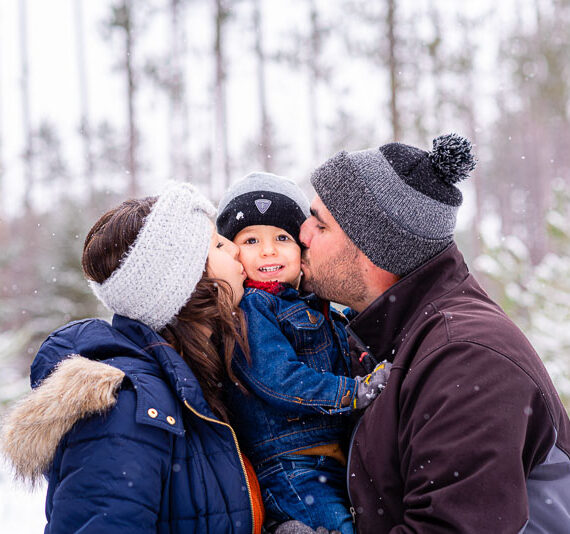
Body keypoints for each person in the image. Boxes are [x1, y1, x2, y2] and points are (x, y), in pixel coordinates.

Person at [298, 133, 570, 533]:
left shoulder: (468, 360)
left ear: (374, 252)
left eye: (320, 225)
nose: (301, 234)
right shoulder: (399, 336)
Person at [0, 181, 265, 534]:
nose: (234, 249)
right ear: (186, 281)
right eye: (217, 244)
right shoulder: (126, 410)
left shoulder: (200, 386)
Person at [216, 172, 390, 534]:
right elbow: (277, 378)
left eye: (282, 237)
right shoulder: (252, 308)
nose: (268, 251)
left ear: (301, 248)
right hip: (293, 465)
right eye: (251, 240)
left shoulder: (317, 307)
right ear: (233, 253)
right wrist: (352, 393)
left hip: (331, 458)